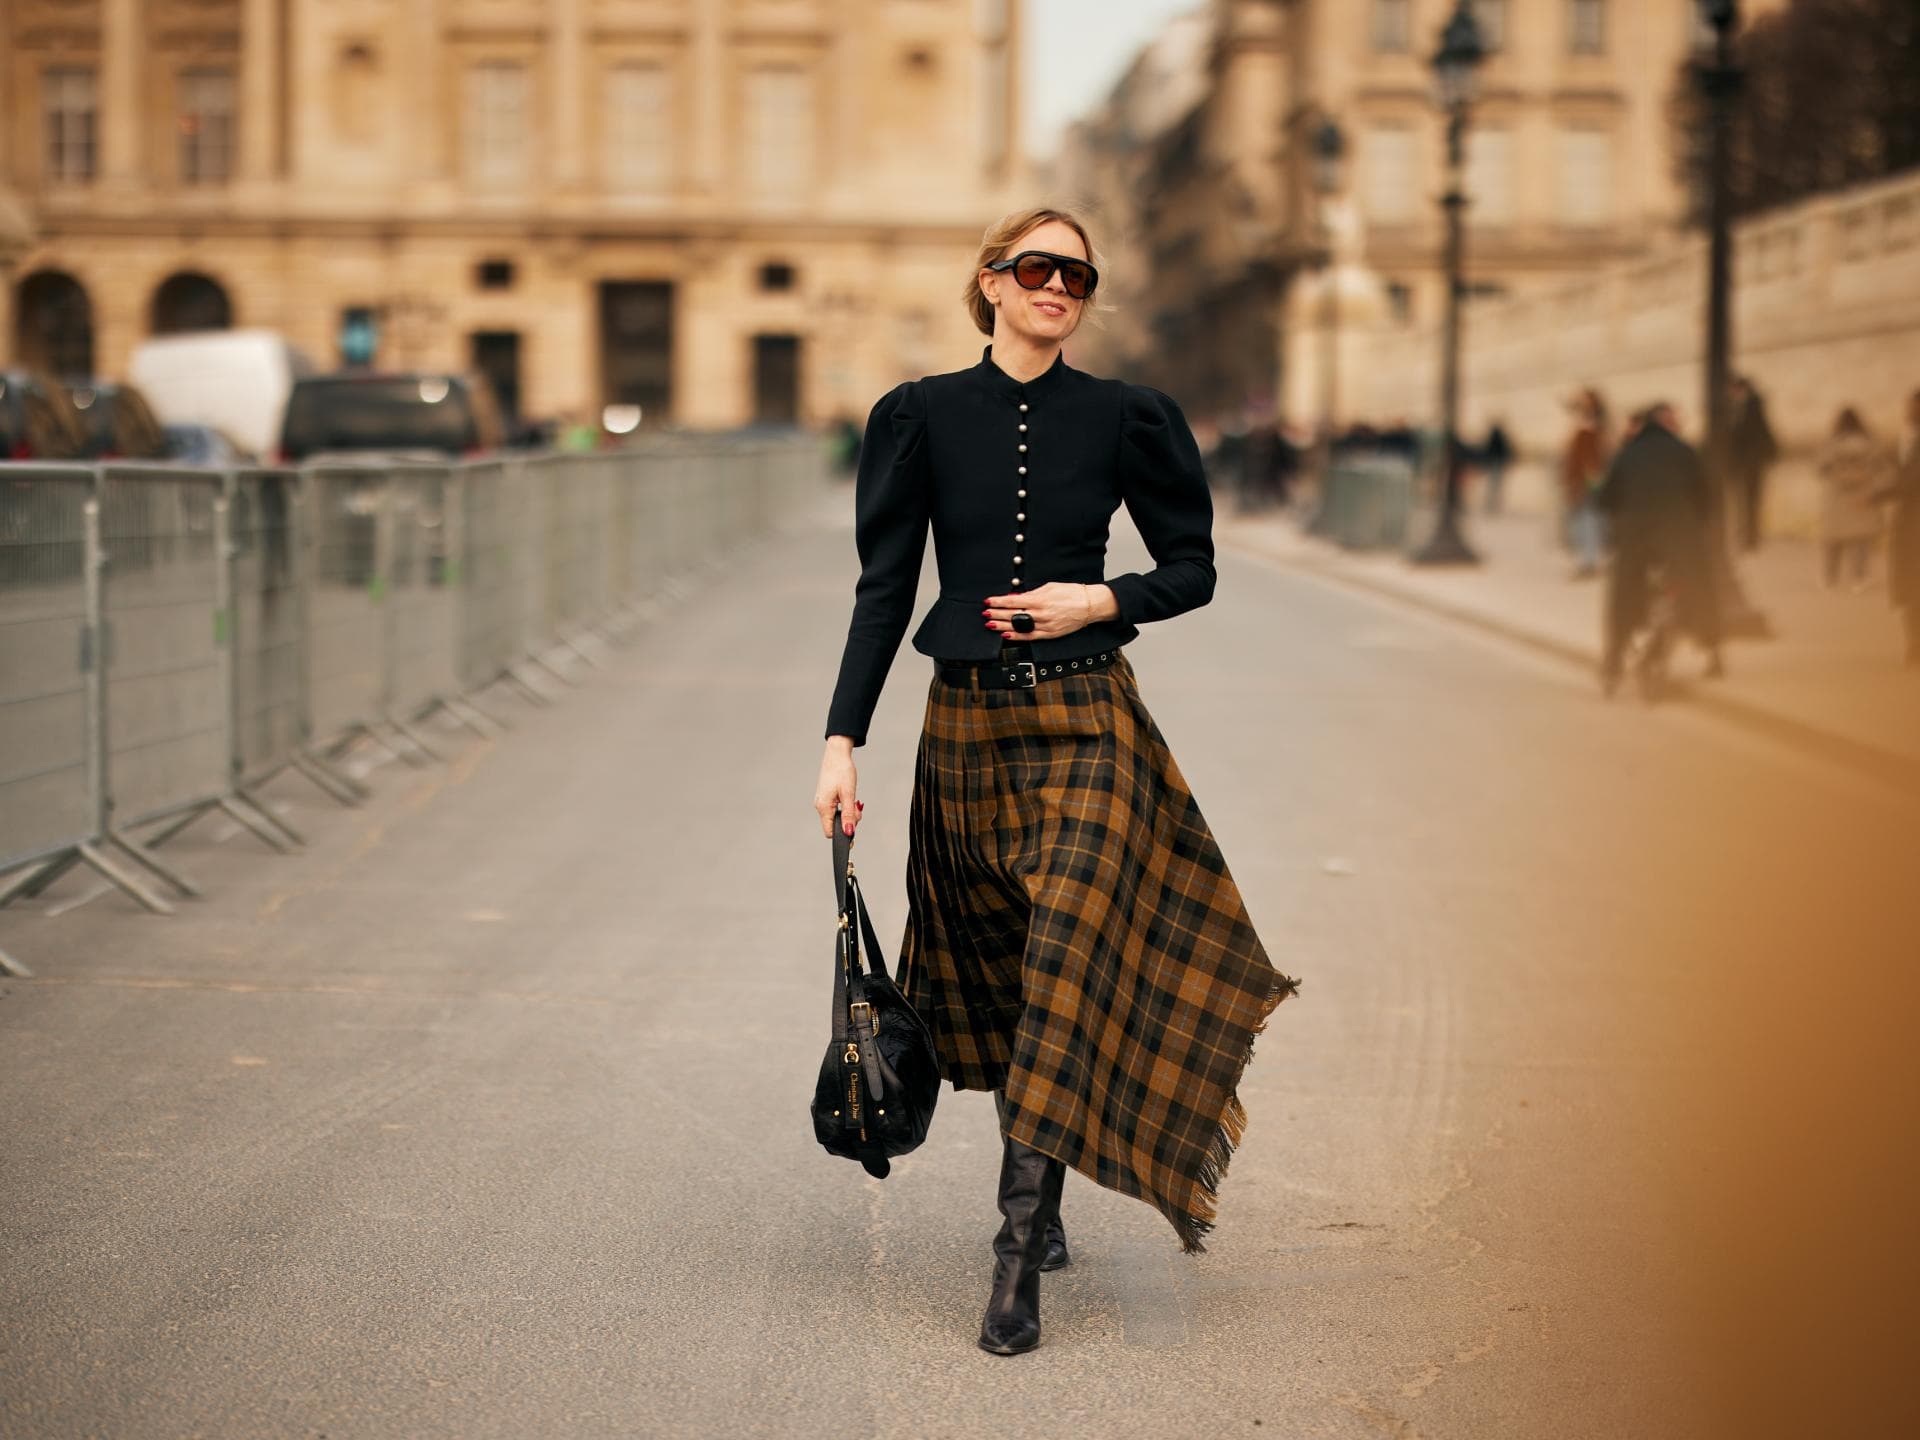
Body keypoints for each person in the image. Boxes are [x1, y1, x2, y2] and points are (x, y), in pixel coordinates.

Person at [813, 207, 1298, 1357]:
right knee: (1006, 972)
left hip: (1088, 720)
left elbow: (1194, 567)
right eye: (1037, 268)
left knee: (1071, 955)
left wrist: (1104, 599)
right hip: (966, 725)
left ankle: (1016, 1252)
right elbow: (885, 589)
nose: (1058, 287)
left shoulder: (1131, 415)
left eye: (1077, 275)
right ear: (989, 283)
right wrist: (841, 740)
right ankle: (1046, 1183)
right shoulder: (919, 414)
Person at [1594, 402, 1724, 694]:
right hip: (1679, 537)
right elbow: (1705, 496)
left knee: (1622, 596)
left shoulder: (1627, 454)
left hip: (1636, 540)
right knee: (1700, 587)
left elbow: (1605, 499)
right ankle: (1713, 652)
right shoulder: (1685, 451)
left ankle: (1613, 663)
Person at [1815, 408, 1888, 592]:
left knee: (1833, 539)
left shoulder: (1831, 444)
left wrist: (1839, 476)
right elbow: (1880, 467)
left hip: (1836, 498)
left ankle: (1829, 578)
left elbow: (1821, 468)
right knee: (1860, 539)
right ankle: (1859, 578)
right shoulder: (1870, 443)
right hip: (1861, 496)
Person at [1887, 389, 1920, 665]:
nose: (1908, 412)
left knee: (1912, 585)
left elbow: (1909, 482)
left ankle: (1915, 645)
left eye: (1912, 407)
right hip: (1909, 524)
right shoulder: (1908, 441)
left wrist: (1876, 495)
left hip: (1913, 526)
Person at [1728, 376, 1780, 551]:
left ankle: (1750, 536)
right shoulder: (1745, 407)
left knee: (1749, 500)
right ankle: (1748, 535)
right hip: (1747, 462)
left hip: (1750, 462)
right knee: (1746, 500)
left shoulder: (1751, 407)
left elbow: (1753, 434)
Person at [1563, 389, 1611, 579]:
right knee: (1585, 523)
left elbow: (1592, 462)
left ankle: (1589, 562)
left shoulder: (1590, 430)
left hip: (1586, 485)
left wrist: (1588, 483)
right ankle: (1588, 560)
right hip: (1581, 483)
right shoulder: (1585, 428)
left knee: (1588, 522)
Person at [1481, 419, 1514, 515]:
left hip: (1494, 463)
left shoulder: (1494, 437)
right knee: (1496, 485)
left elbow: (1488, 450)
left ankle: (1491, 503)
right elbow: (1506, 451)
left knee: (1493, 485)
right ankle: (1493, 503)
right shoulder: (1500, 438)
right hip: (1497, 463)